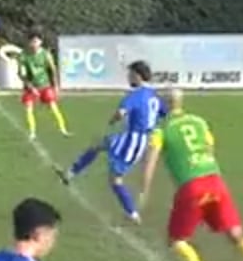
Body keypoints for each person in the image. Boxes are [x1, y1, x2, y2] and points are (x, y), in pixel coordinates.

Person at [138, 88, 243, 261]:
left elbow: (150, 161)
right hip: (214, 181)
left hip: (191, 187)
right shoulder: (199, 121)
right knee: (237, 234)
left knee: (176, 240)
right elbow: (210, 148)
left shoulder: (161, 130)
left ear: (164, 105)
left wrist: (144, 189)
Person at [55, 60, 163, 224]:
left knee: (115, 180)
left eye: (130, 74)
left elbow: (121, 113)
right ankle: (69, 173)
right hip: (140, 139)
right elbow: (162, 112)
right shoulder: (154, 95)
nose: (128, 77)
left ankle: (132, 213)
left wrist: (113, 120)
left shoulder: (136, 95)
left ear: (137, 75)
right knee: (98, 144)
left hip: (131, 140)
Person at [16, 32, 70, 141]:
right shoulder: (23, 55)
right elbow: (21, 74)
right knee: (29, 108)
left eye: (36, 41)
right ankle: (32, 132)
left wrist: (56, 86)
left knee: (53, 107)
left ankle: (63, 129)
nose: (34, 44)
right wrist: (31, 87)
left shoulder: (45, 54)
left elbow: (53, 70)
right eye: (32, 41)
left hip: (44, 85)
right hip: (30, 86)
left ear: (40, 42)